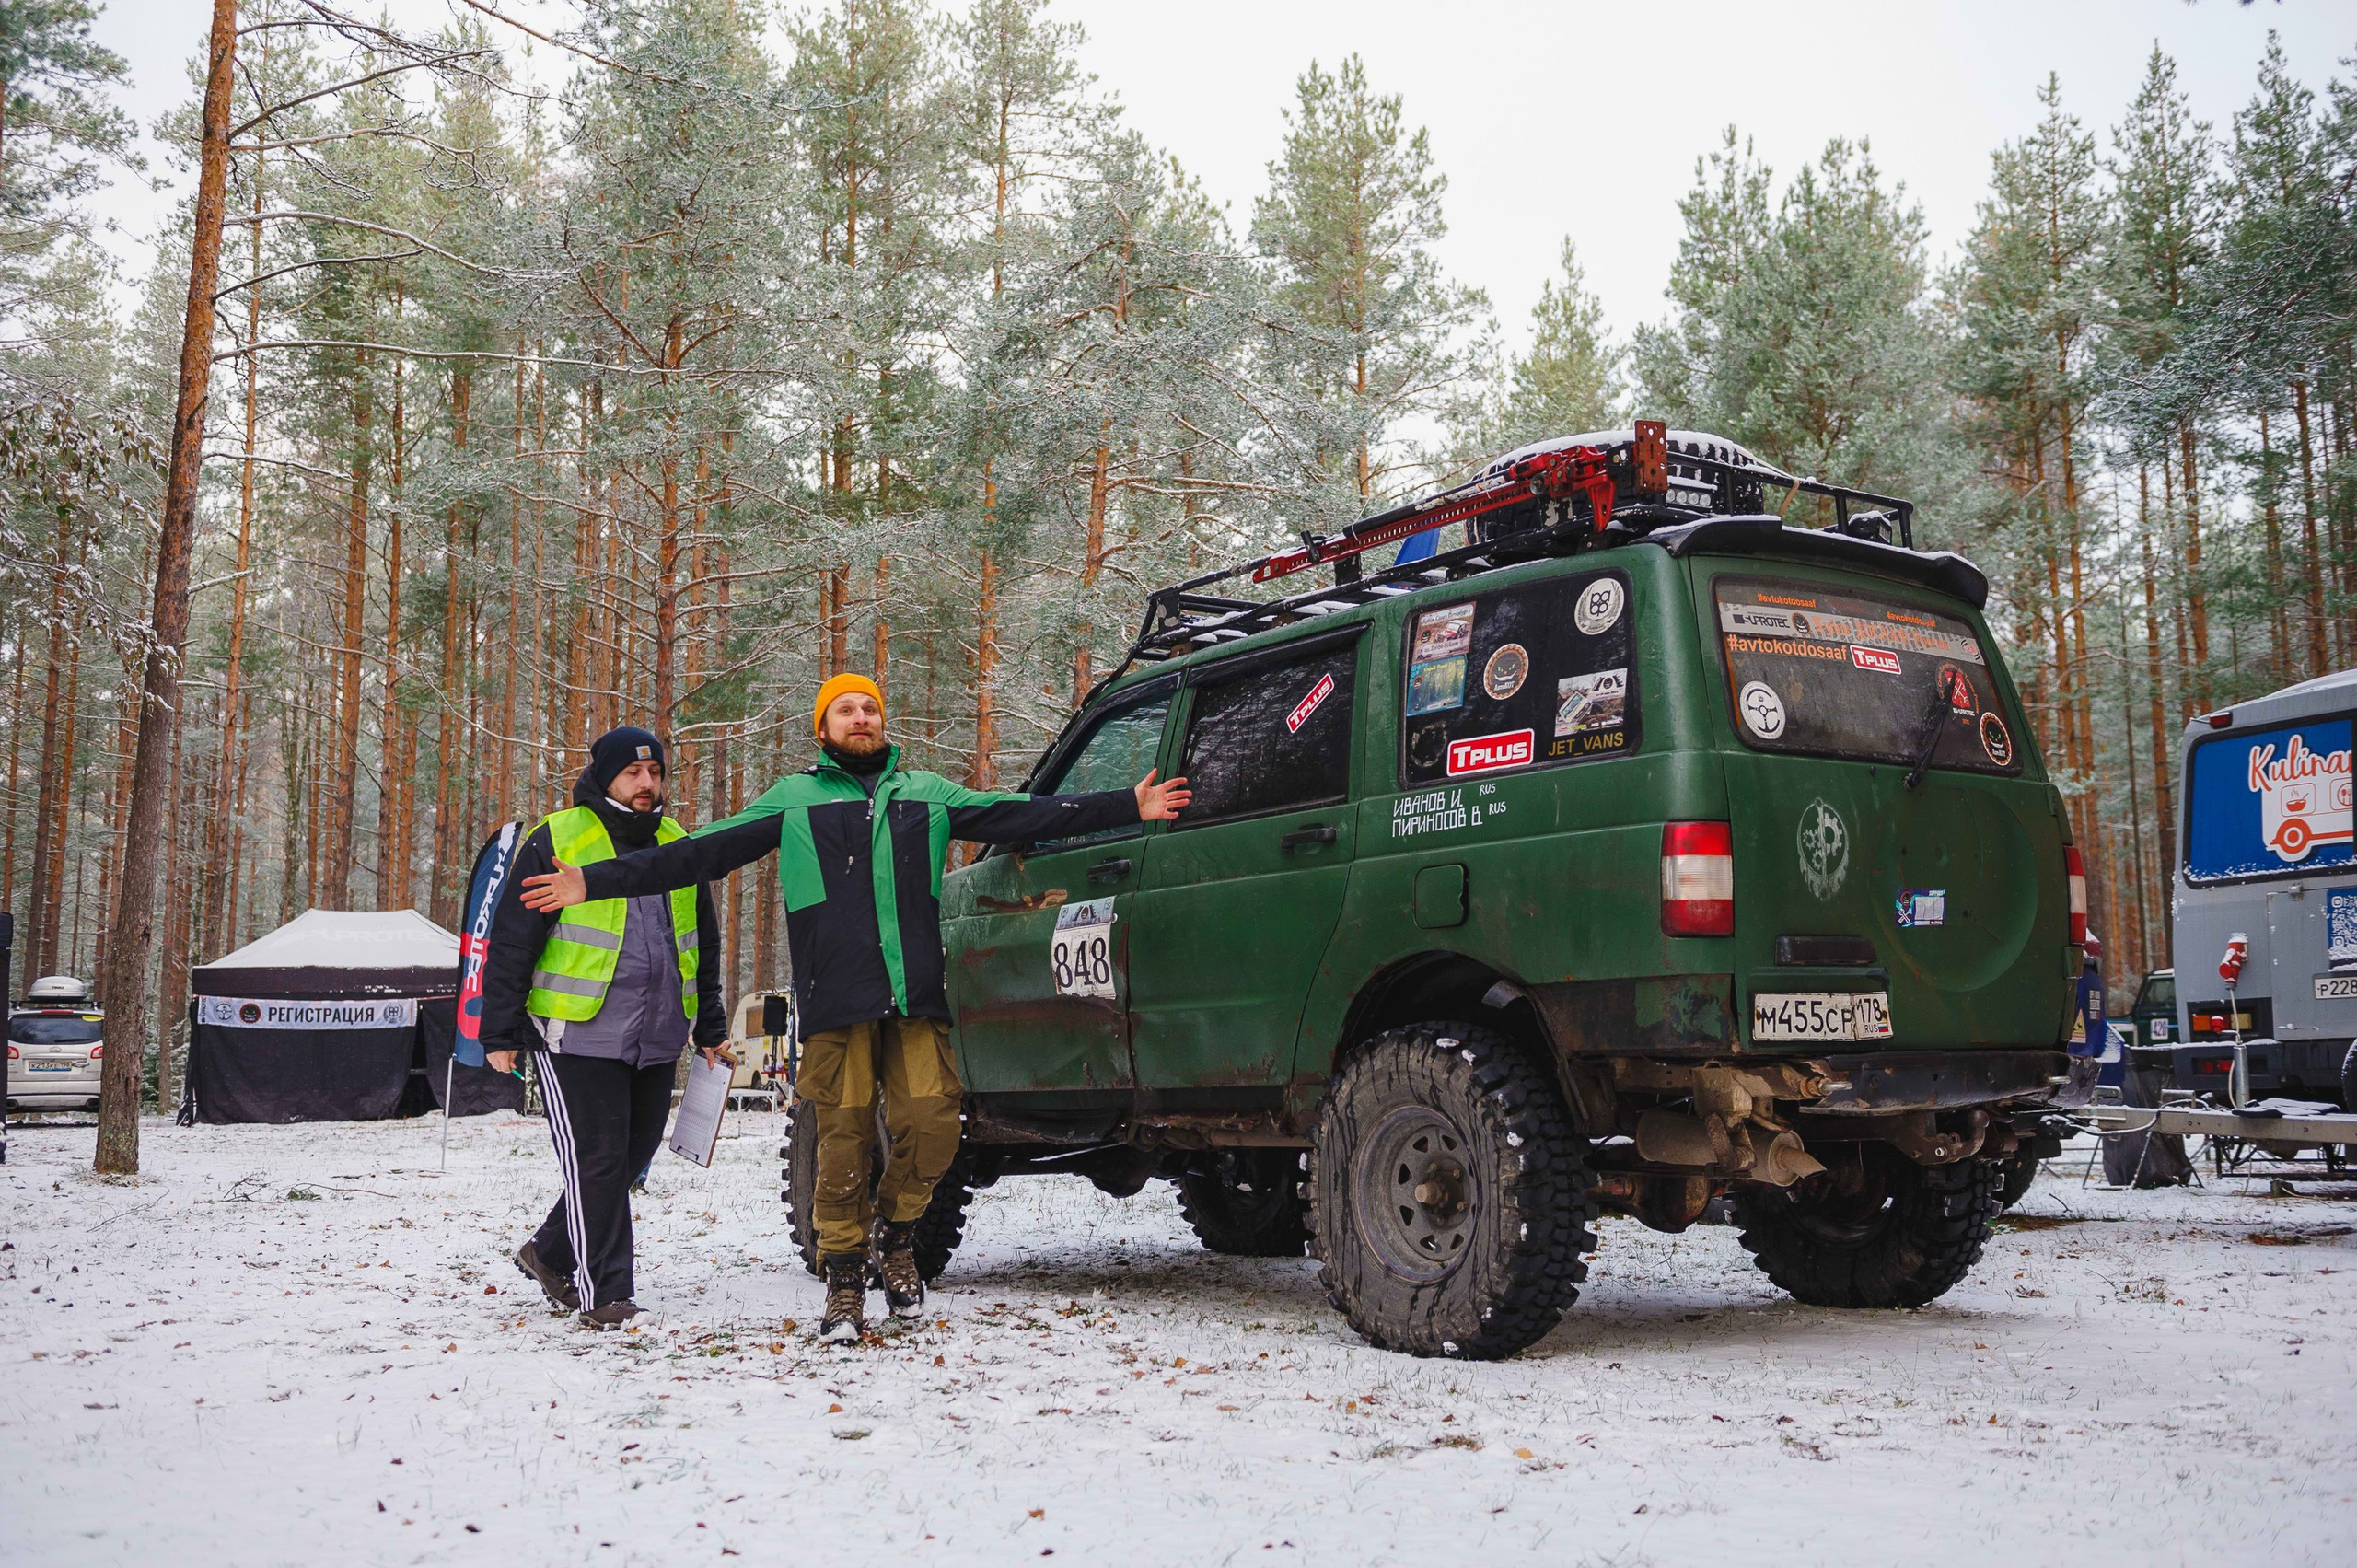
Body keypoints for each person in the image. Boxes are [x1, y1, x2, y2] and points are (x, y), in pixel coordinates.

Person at [522, 673, 1190, 1342]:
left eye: (870, 706)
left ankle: (896, 1235)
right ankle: (845, 1274)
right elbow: (694, 854)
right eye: (845, 708)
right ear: (823, 729)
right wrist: (592, 880)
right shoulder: (794, 799)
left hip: (914, 999)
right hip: (836, 1002)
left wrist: (1127, 805)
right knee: (840, 1137)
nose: (861, 716)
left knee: (933, 1122)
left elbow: (1023, 813)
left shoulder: (926, 793)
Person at [481, 726, 730, 1328]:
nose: (647, 784)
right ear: (605, 776)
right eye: (633, 773)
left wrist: (711, 1025)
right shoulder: (558, 837)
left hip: (656, 1032)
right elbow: (514, 938)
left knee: (631, 1155)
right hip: (574, 1031)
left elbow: (703, 942)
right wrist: (500, 1030)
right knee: (596, 1158)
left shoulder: (676, 841)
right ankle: (606, 1293)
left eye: (656, 773)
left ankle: (548, 1252)